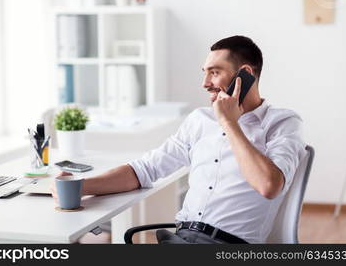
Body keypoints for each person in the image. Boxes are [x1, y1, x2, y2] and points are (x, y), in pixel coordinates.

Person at [51, 35, 307, 244]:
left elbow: (269, 186)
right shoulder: (200, 120)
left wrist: (229, 123)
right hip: (180, 238)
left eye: (215, 72)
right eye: (205, 73)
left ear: (245, 75)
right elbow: (145, 170)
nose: (205, 83)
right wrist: (78, 187)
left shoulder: (282, 122)